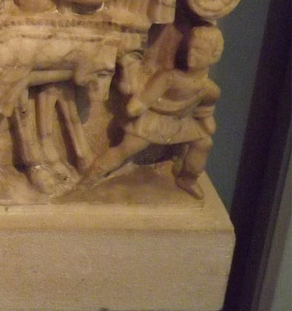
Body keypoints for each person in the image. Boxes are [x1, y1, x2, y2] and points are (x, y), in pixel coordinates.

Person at [84, 25, 224, 198]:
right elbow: (139, 104)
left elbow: (205, 110)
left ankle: (188, 178)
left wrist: (207, 121)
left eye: (200, 51)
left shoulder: (210, 89)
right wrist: (131, 100)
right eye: (192, 48)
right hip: (153, 120)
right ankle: (93, 174)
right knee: (127, 148)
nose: (192, 54)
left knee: (204, 143)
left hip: (178, 122)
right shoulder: (169, 78)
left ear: (214, 56)